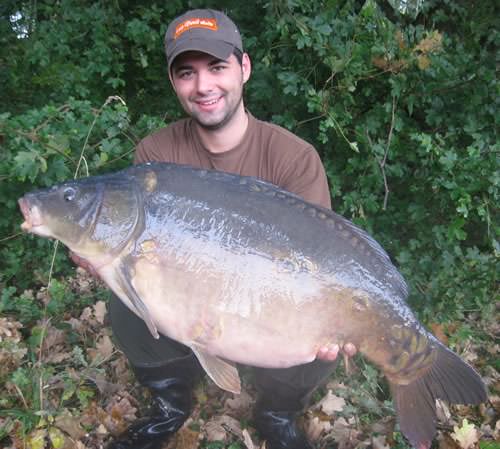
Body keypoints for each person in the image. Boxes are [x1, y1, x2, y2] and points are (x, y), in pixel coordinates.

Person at [107, 9, 355, 449]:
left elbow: (315, 265)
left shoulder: (293, 158)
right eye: (187, 73)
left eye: (217, 67)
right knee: (125, 289)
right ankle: (172, 403)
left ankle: (276, 411)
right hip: (189, 296)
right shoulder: (156, 154)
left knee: (325, 322)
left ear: (244, 68)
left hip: (266, 305)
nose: (203, 86)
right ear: (174, 82)